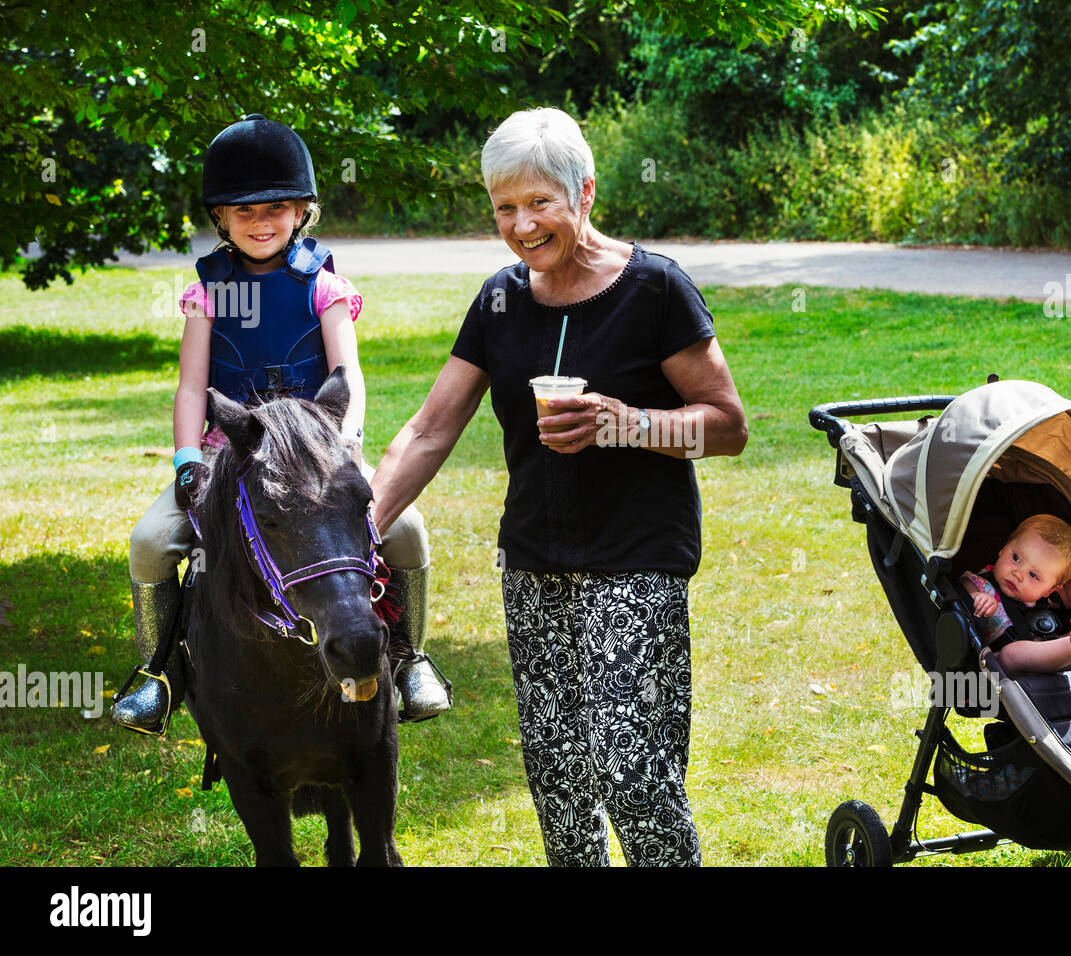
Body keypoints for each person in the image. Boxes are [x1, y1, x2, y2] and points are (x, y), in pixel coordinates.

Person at [369, 106, 747, 866]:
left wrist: (626, 422)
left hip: (637, 557)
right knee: (560, 777)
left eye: (539, 202)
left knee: (631, 771)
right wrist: (362, 525)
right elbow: (430, 428)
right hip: (533, 563)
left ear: (585, 192)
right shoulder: (501, 300)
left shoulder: (653, 289)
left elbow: (727, 426)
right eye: (504, 207)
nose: (522, 224)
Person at [111, 114, 449, 735]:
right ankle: (159, 672)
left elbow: (351, 375)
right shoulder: (208, 294)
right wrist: (187, 459)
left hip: (320, 449)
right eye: (244, 212)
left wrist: (343, 445)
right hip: (227, 455)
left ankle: (408, 658)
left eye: (276, 208)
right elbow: (191, 386)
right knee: (151, 542)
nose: (261, 222)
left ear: (302, 211)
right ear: (220, 219)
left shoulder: (324, 287)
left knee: (408, 532)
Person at [960, 514, 1071, 675]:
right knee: (1011, 654)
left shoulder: (1041, 597)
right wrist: (977, 596)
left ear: (1050, 589)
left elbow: (1069, 596)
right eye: (1016, 558)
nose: (1018, 574)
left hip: (1052, 650)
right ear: (1004, 548)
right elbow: (963, 586)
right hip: (1006, 663)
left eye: (1033, 575)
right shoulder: (980, 583)